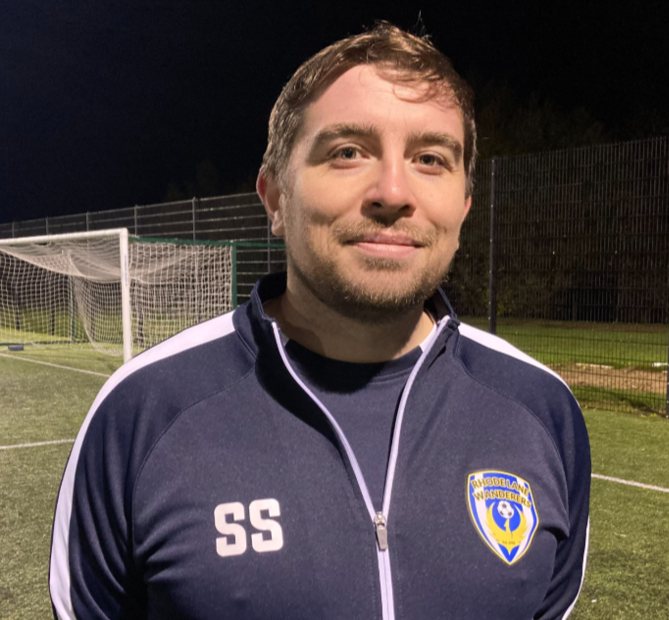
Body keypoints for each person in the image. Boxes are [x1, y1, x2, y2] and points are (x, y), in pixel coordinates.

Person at [50, 22, 590, 620]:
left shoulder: (543, 409)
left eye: (430, 158)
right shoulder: (143, 413)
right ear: (276, 196)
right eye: (347, 152)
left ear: (463, 205)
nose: (392, 190)